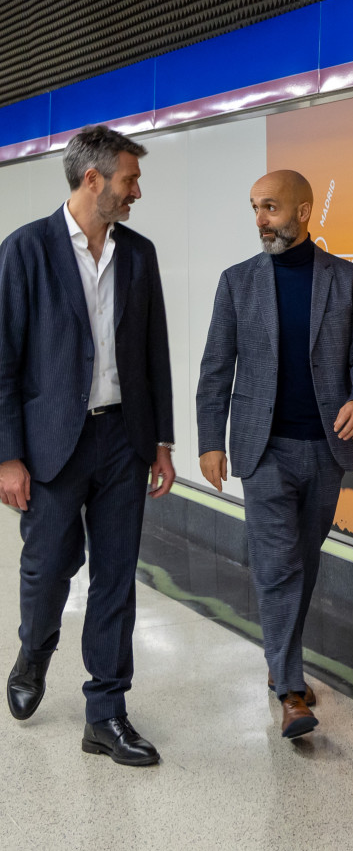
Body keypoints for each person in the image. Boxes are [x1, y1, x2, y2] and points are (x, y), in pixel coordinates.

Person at [0, 124, 175, 766]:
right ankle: (34, 649)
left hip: (123, 439)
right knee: (47, 570)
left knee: (115, 579)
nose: (137, 190)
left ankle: (105, 711)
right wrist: (6, 455)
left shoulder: (139, 253)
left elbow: (153, 352)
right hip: (50, 444)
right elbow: (3, 361)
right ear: (93, 178)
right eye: (130, 178)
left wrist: (161, 440)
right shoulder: (25, 250)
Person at [196, 169, 353, 739]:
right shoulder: (237, 283)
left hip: (327, 451)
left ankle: (282, 662)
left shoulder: (348, 281)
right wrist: (210, 440)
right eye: (255, 208)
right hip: (264, 450)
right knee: (278, 568)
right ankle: (291, 691)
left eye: (271, 208)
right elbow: (215, 367)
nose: (261, 221)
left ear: (304, 212)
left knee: (303, 564)